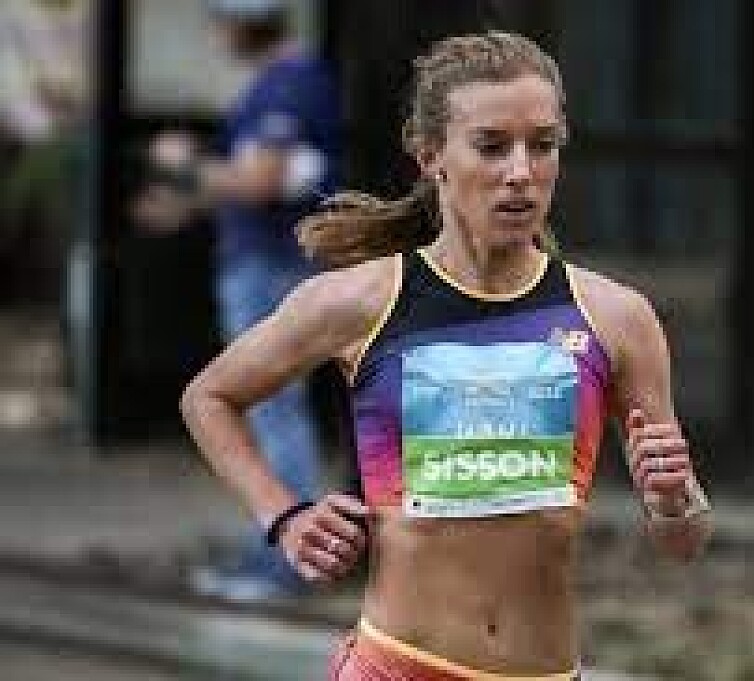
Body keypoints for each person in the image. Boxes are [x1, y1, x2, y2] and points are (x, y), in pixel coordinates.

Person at [180, 31, 711, 679]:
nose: (521, 172)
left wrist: (673, 500)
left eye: (543, 145)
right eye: (491, 146)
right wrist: (284, 515)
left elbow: (683, 542)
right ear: (430, 154)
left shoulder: (615, 317)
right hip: (396, 666)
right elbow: (209, 397)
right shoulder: (361, 301)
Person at [137, 0, 345, 601]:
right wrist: (188, 202)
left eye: (223, 21)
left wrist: (186, 167)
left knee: (269, 408)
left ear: (244, 22)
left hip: (271, 267)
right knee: (268, 408)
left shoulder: (287, 84)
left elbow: (261, 181)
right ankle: (282, 547)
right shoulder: (288, 81)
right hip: (268, 262)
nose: (218, 33)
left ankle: (289, 559)